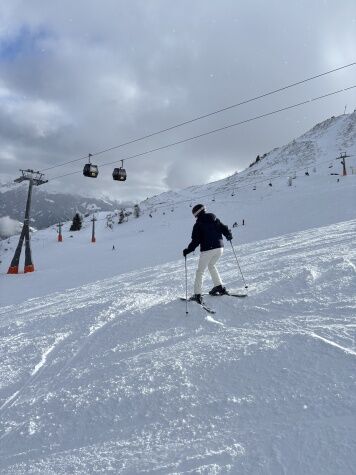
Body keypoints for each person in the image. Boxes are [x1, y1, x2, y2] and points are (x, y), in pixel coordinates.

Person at [183, 204, 233, 304]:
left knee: (200, 271)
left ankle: (197, 295)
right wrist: (228, 235)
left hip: (207, 250)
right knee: (211, 265)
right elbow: (224, 228)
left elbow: (195, 241)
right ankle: (219, 287)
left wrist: (188, 250)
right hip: (220, 248)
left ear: (196, 214)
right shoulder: (214, 218)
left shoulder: (198, 224)